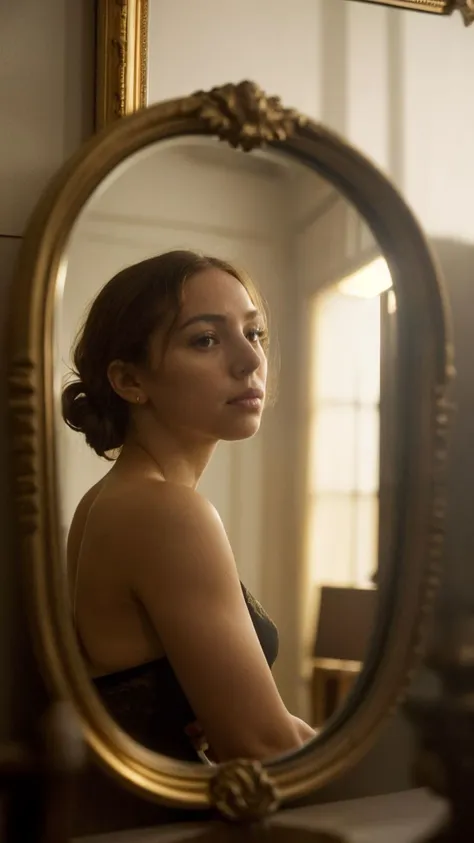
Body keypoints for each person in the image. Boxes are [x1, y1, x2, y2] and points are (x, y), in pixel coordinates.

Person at [62, 249, 315, 763]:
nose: (250, 361)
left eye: (254, 332)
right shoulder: (164, 513)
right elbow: (261, 747)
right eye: (206, 339)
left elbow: (270, 731)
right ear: (130, 381)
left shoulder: (113, 499)